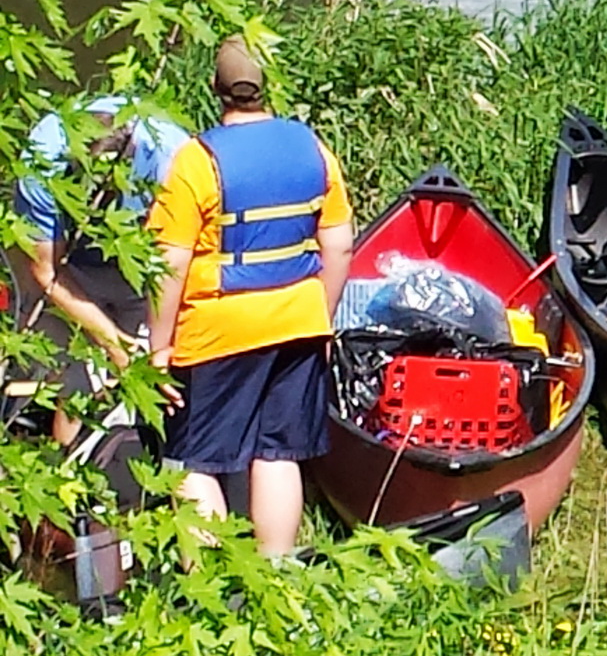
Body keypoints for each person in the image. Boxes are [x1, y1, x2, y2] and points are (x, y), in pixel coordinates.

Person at [145, 38, 354, 556]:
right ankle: (275, 576)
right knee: (278, 454)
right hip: (300, 322)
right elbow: (340, 243)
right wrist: (320, 318)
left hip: (217, 332)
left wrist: (159, 346)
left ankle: (213, 586)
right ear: (266, 89)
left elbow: (169, 262)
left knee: (193, 461)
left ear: (215, 92)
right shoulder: (313, 148)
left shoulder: (197, 159)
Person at [9, 96, 190, 446]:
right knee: (77, 379)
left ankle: (136, 467)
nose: (98, 196)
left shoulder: (172, 156)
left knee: (151, 371)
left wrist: (146, 346)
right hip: (65, 266)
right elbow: (45, 271)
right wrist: (112, 343)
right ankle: (67, 473)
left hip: (142, 265)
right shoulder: (41, 161)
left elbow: (180, 254)